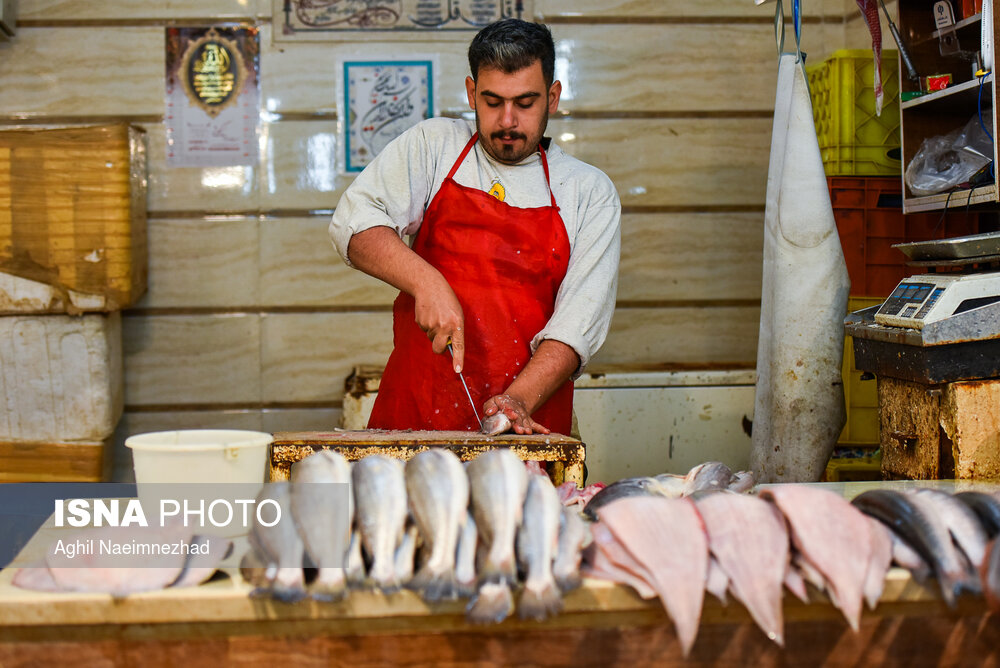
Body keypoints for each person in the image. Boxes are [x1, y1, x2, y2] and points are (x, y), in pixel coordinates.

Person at [329, 18, 620, 436]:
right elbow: (353, 226)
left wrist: (517, 401)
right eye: (491, 101)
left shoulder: (588, 191)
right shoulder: (434, 147)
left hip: (526, 427)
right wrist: (426, 281)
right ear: (471, 93)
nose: (507, 121)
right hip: (417, 417)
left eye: (525, 103)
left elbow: (579, 323)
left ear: (553, 97)